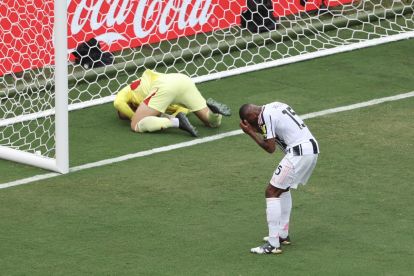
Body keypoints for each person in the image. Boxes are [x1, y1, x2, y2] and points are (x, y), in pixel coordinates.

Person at [239, 102, 319, 254]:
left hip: (299, 153)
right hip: (310, 149)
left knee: (271, 192)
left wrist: (251, 132)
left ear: (251, 118)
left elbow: (270, 148)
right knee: (282, 189)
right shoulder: (275, 105)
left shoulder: (264, 116)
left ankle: (273, 244)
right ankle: (282, 235)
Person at [114, 69, 231, 137]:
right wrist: (171, 115)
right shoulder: (153, 100)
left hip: (165, 87)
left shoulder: (129, 91)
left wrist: (133, 117)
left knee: (135, 124)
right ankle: (214, 112)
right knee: (212, 123)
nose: (135, 110)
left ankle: (176, 123)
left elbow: (119, 103)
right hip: (183, 80)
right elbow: (185, 110)